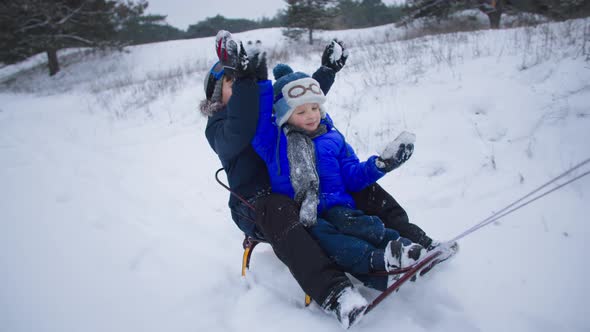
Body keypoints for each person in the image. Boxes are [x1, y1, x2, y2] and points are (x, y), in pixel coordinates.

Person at [202, 30, 366, 329]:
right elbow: (240, 127)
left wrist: (326, 71)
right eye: (230, 82)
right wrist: (248, 81)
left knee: (353, 181)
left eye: (238, 78)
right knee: (279, 208)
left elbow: (295, 98)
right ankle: (336, 293)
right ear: (217, 94)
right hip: (253, 206)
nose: (237, 84)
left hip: (295, 189)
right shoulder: (219, 127)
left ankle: (407, 245)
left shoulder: (264, 110)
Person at [252, 62, 432, 291]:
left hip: (339, 205)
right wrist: (260, 84)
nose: (311, 116)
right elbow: (259, 117)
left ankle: (407, 250)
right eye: (301, 111)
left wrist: (380, 165)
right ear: (284, 114)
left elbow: (352, 175)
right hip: (305, 213)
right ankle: (375, 261)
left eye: (315, 108)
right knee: (331, 240)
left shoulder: (333, 139)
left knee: (366, 226)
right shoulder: (274, 143)